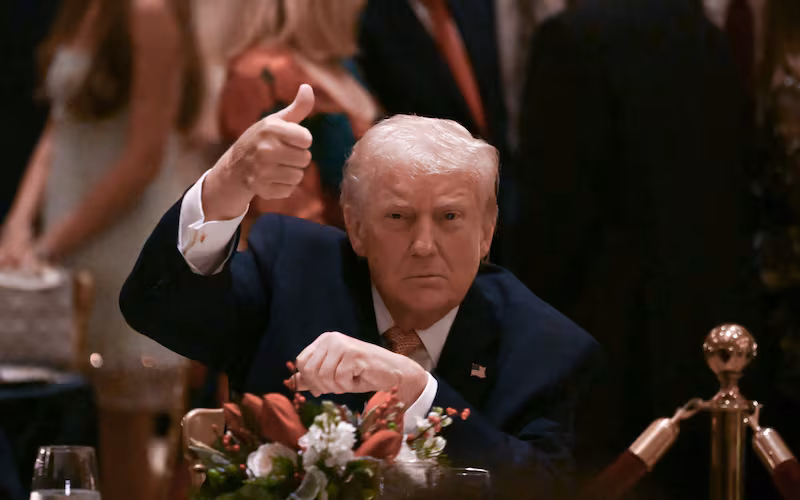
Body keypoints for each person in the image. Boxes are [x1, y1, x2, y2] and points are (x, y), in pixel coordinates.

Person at [119, 84, 600, 499]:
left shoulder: (547, 348)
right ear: (356, 226)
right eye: (398, 217)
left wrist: (419, 394)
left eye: (450, 218)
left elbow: (548, 490)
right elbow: (158, 306)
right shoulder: (294, 271)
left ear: (486, 231)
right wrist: (227, 183)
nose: (424, 245)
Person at [513, 0, 763, 497]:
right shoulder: (701, 31)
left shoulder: (572, 38)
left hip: (606, 335)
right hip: (705, 318)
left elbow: (555, 211)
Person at [0, 0, 204, 498]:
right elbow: (59, 126)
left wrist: (53, 240)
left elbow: (144, 157)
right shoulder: (82, 10)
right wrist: (18, 223)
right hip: (69, 232)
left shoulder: (148, 13)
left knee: (123, 433)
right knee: (64, 419)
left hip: (119, 242)